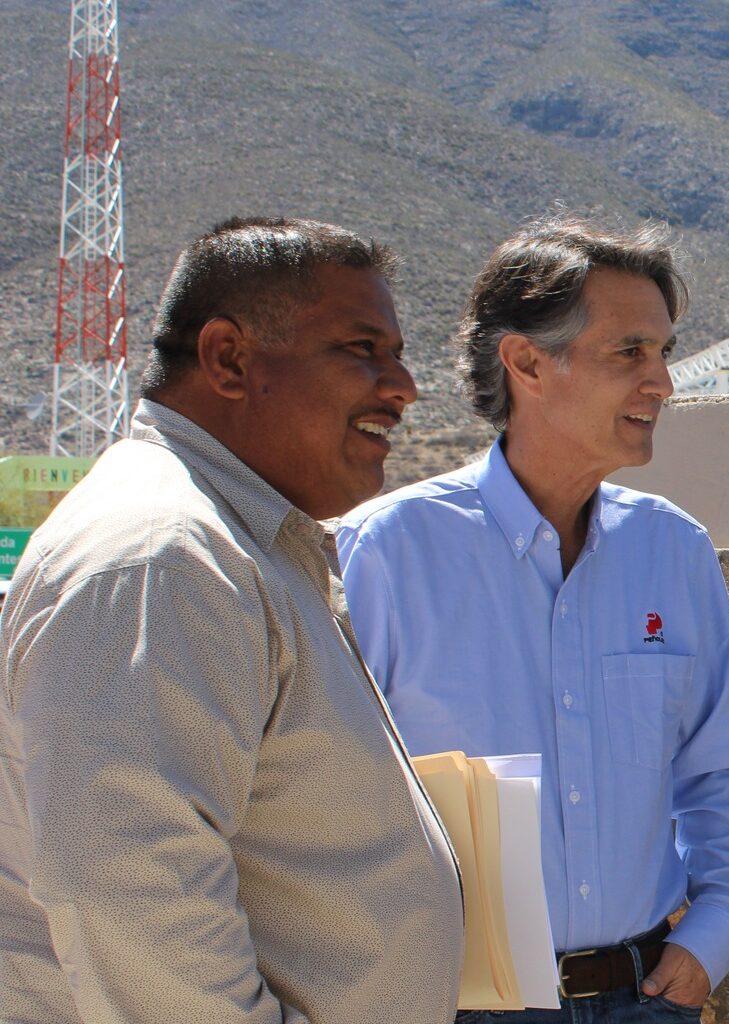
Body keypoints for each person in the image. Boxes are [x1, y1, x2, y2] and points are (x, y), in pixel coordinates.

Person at [0, 218, 464, 1024]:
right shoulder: (163, 558)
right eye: (362, 349)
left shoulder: (234, 541)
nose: (402, 387)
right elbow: (127, 891)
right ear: (228, 359)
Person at [338, 216, 729, 1023]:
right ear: (528, 362)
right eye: (629, 352)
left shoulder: (673, 550)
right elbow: (330, 797)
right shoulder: (388, 553)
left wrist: (716, 930)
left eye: (663, 353)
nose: (662, 383)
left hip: (648, 995)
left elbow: (719, 772)